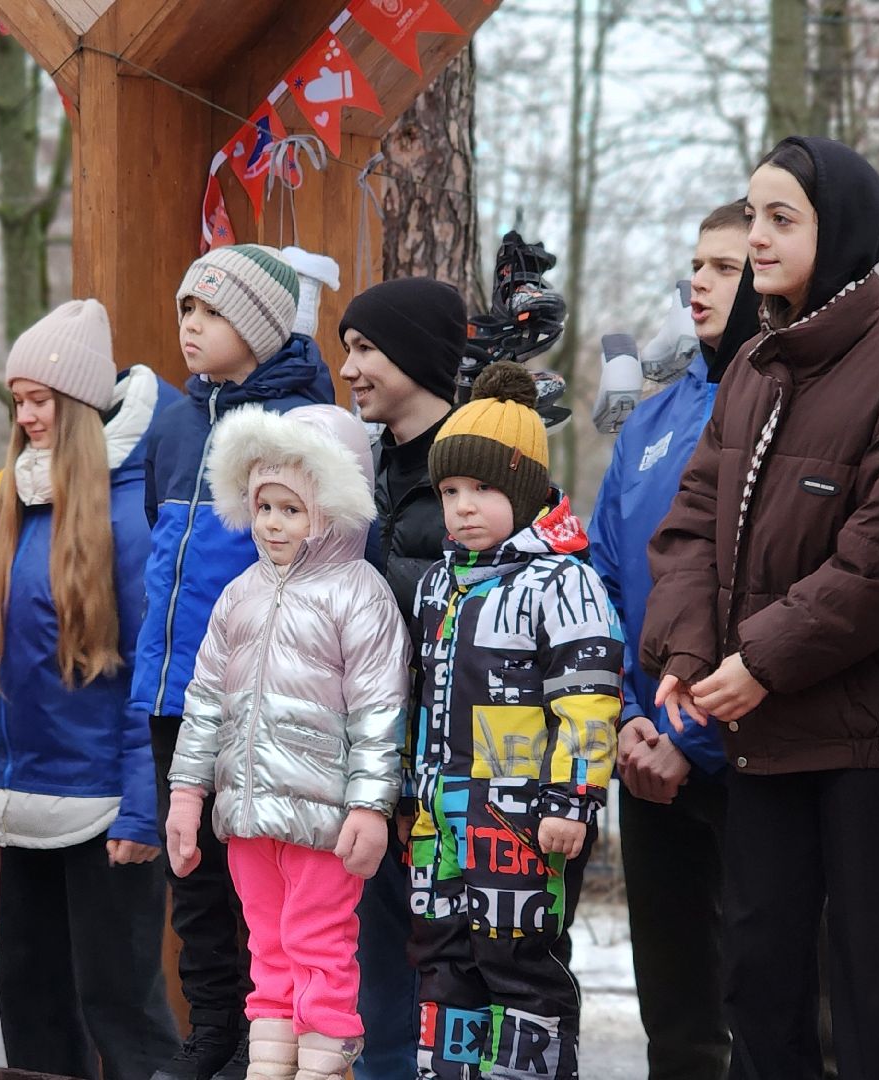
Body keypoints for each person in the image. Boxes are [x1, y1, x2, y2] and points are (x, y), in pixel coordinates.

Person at [641, 137, 879, 1079]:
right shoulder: (754, 366)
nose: (757, 237)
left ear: (835, 232)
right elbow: (690, 523)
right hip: (758, 737)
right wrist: (689, 651)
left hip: (858, 747)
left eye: (781, 219)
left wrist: (760, 659)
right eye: (751, 214)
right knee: (758, 982)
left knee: (867, 995)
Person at [0, 299, 181, 1079]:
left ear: (79, 404)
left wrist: (142, 811)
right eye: (18, 400)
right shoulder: (15, 504)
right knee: (31, 1003)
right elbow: (1, 669)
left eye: (40, 400)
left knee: (120, 1007)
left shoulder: (128, 517)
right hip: (23, 803)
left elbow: (146, 683)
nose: (26, 416)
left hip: (106, 810)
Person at [165, 404, 411, 1080]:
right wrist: (187, 796)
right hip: (247, 817)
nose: (272, 523)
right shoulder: (239, 595)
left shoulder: (358, 595)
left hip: (323, 820)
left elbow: (379, 712)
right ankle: (271, 1061)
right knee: (267, 945)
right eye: (264, 506)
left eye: (292, 510)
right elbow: (204, 704)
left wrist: (369, 806)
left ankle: (325, 1060)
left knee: (319, 942)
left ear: (331, 511)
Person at [140, 244, 337, 1080]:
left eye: (211, 312)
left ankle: (267, 1042)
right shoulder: (174, 424)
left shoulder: (299, 427)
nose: (190, 325)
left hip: (255, 695)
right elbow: (158, 548)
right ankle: (213, 1031)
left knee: (259, 881)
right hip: (174, 691)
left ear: (258, 326)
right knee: (194, 885)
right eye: (186, 308)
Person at [408, 362, 624, 1080]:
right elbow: (420, 699)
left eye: (483, 488)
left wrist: (572, 799)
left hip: (521, 818)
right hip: (442, 816)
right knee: (443, 963)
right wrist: (412, 798)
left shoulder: (562, 581)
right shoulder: (439, 583)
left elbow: (588, 700)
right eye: (450, 492)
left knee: (519, 964)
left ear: (526, 490)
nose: (463, 507)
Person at [588, 200, 749, 1080]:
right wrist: (626, 718)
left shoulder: (788, 402)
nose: (699, 282)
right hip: (646, 755)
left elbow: (775, 590)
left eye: (725, 267)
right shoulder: (648, 425)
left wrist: (693, 735)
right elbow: (606, 584)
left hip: (754, 756)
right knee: (678, 1030)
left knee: (780, 1021)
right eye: (695, 264)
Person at [335, 275, 468, 1078]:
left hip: (449, 778)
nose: (349, 368)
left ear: (416, 355)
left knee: (451, 989)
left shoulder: (480, 475)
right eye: (346, 348)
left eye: (366, 349)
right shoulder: (355, 470)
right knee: (373, 989)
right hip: (366, 770)